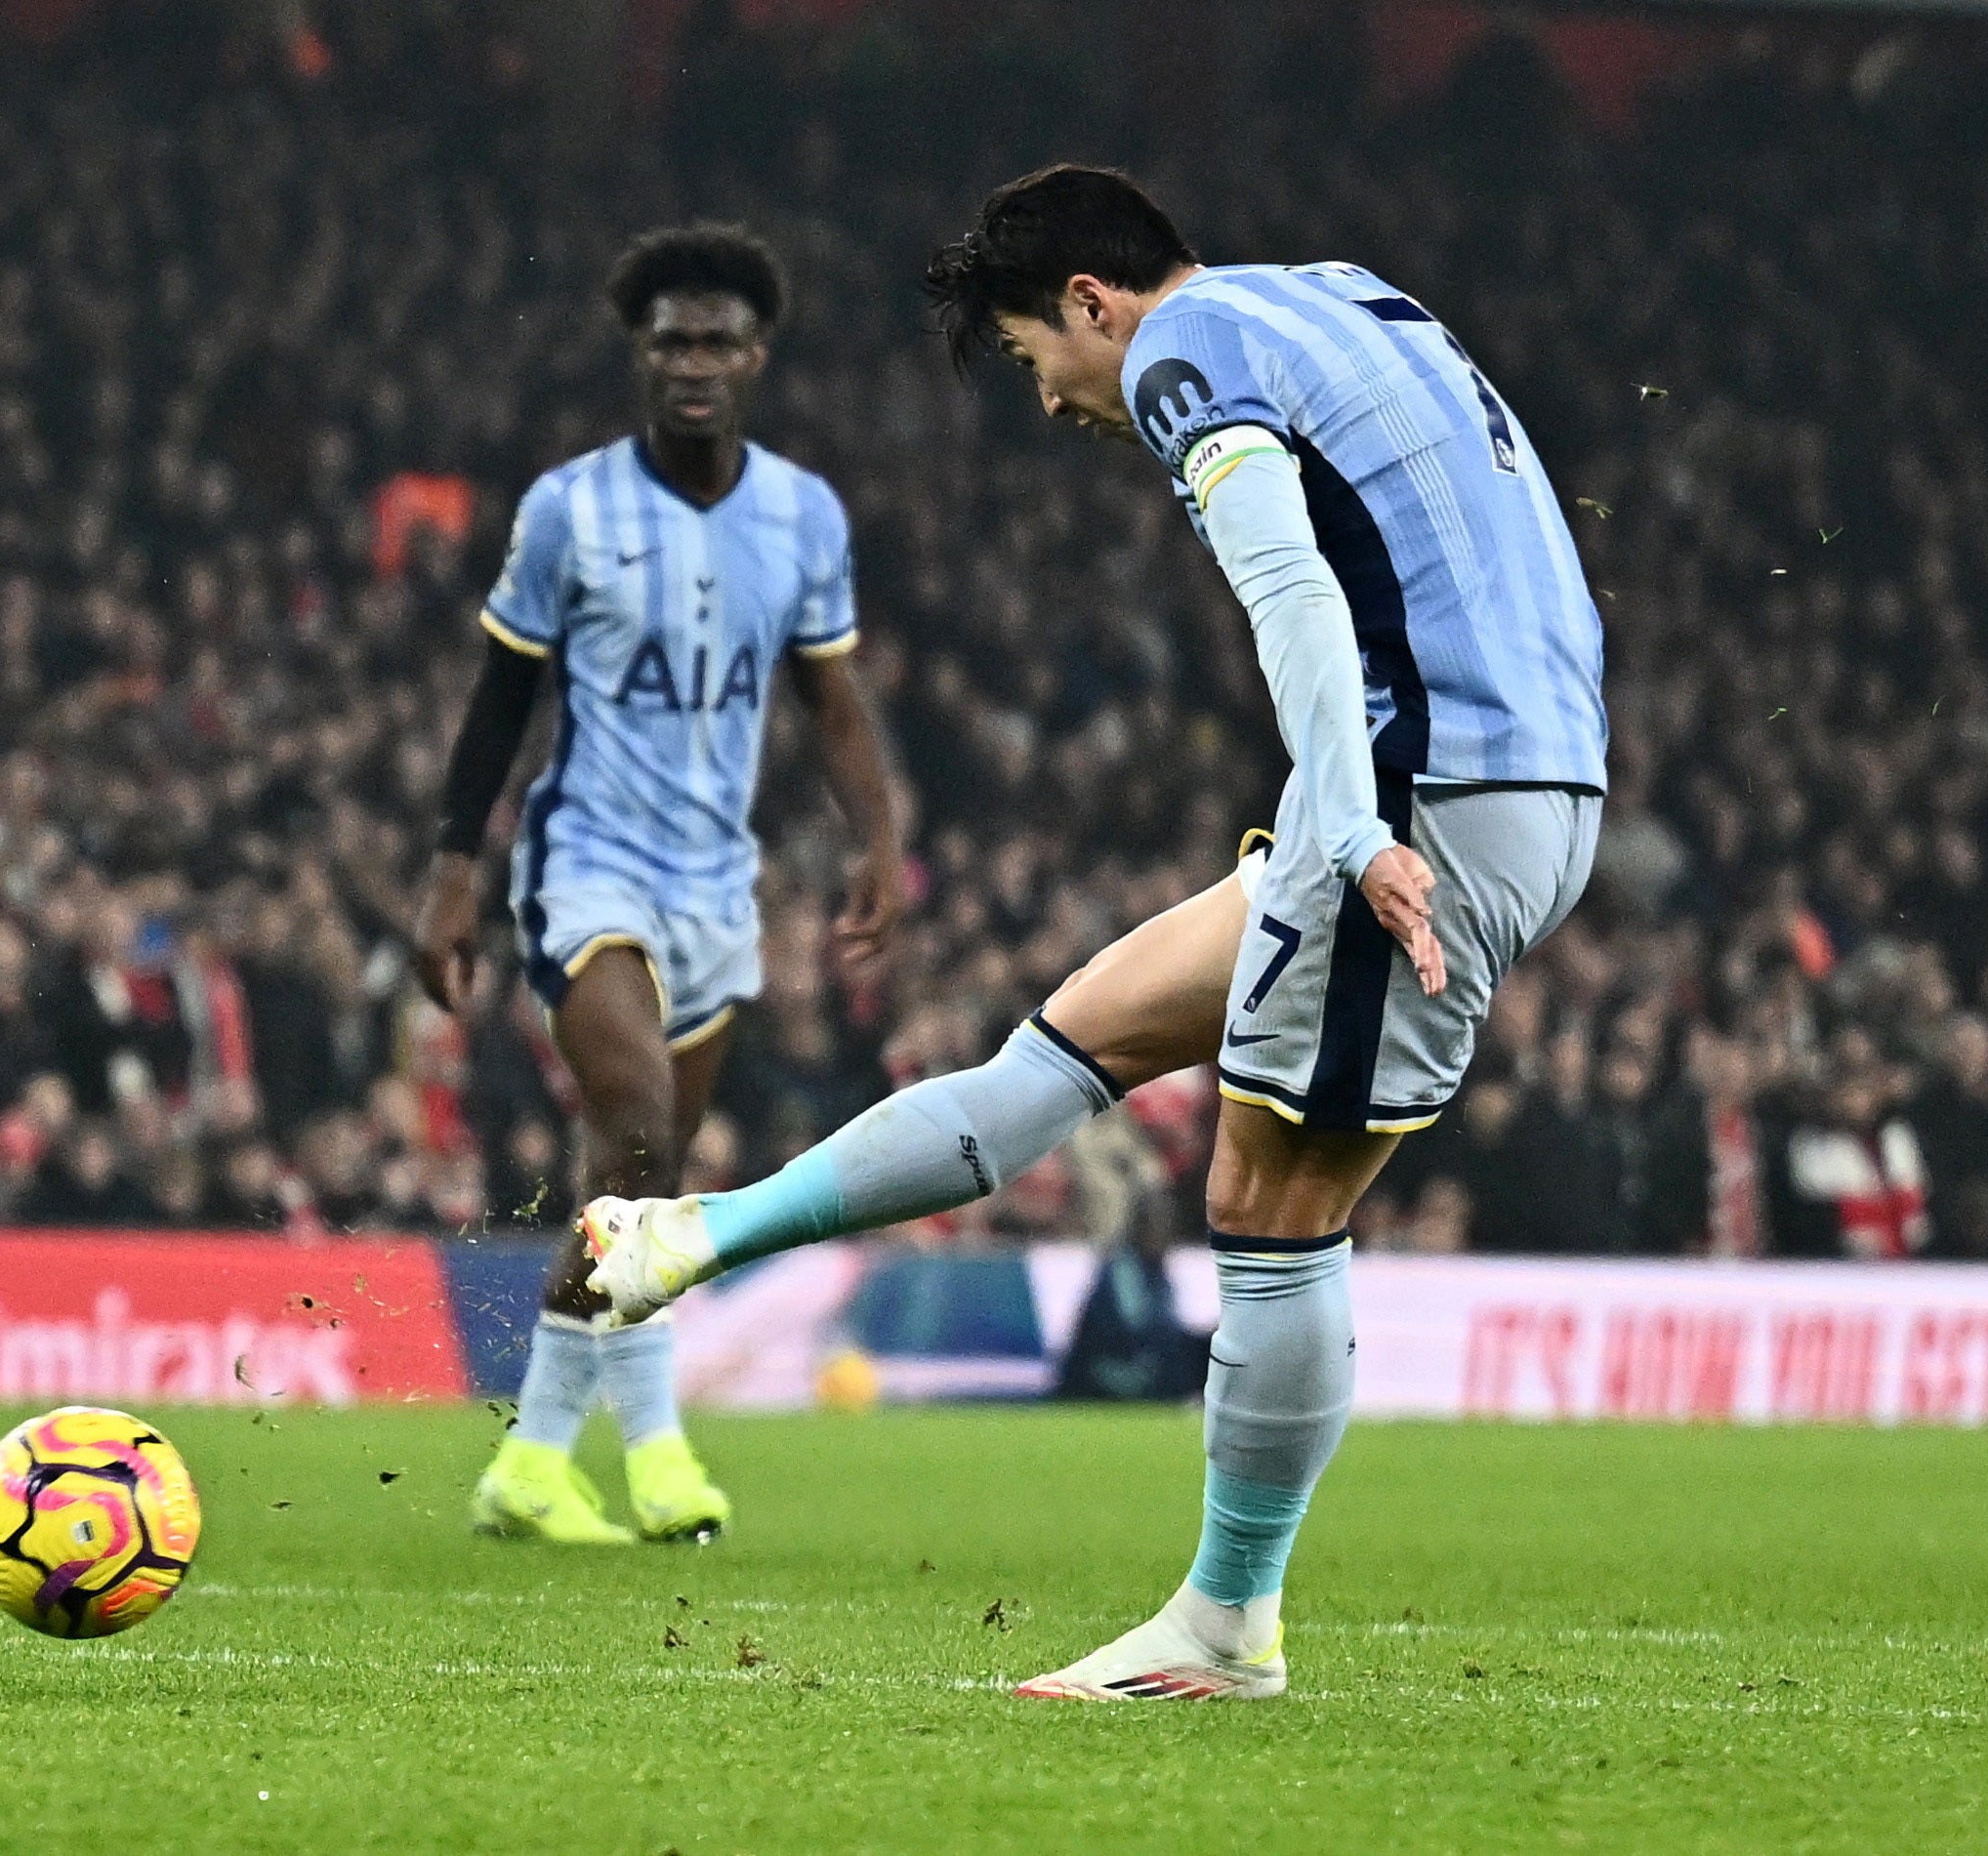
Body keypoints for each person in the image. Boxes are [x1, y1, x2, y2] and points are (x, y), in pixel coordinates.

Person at [582, 166, 1605, 1694]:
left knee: (1272, 1200)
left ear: (1089, 302)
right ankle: (699, 1235)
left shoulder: (1191, 357)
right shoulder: (1334, 290)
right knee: (1075, 1038)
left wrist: (1349, 827)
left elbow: (1292, 591)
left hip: (1423, 785)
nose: (1050, 399)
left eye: (1027, 358)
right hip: (1510, 758)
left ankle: (1223, 1624)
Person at [413, 224, 903, 1545]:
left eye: (716, 340)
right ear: (641, 353)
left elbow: (831, 698)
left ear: (756, 356)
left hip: (713, 891)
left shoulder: (802, 514)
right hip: (587, 866)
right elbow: (500, 692)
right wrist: (453, 872)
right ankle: (662, 1451)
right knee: (634, 1131)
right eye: (669, 339)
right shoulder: (568, 509)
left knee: (636, 1188)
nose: (692, 361)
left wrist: (878, 840)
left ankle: (529, 1465)